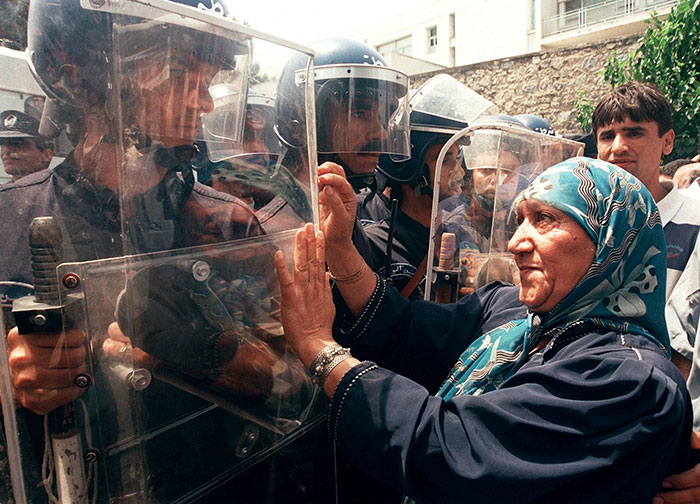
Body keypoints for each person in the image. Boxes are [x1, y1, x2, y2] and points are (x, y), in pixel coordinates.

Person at [0, 1, 333, 502]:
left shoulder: (231, 225)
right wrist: (15, 380)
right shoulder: (8, 219)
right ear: (88, 72)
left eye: (210, 76)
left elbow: (299, 385)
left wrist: (207, 353)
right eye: (179, 72)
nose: (203, 103)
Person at [274, 157, 696, 503]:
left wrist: (319, 348)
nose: (516, 242)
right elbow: (405, 328)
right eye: (520, 220)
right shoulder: (517, 312)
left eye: (545, 219)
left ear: (612, 240)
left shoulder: (627, 379)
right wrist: (343, 250)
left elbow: (449, 449)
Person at [0, 109, 53, 182]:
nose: (6, 150)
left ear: (46, 155)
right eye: (2, 144)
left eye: (16, 144)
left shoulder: (58, 191)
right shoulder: (4, 192)